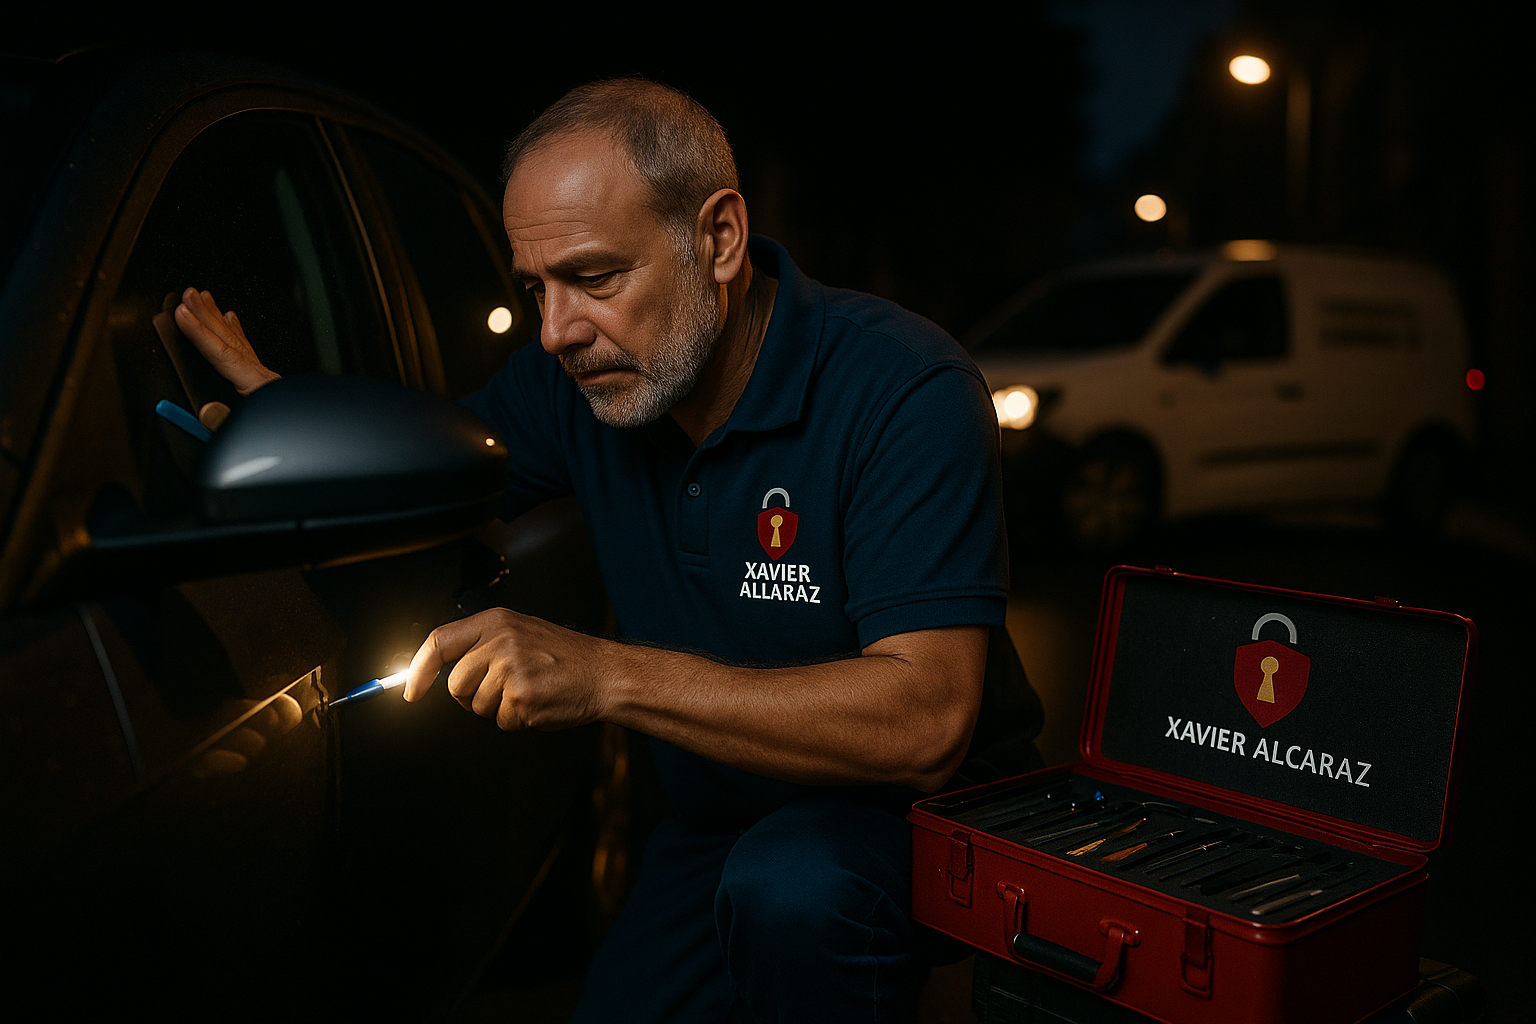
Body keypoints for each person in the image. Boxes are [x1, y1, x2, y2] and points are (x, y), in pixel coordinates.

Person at [175, 78, 1014, 1023]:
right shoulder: (571, 385)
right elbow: (420, 475)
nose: (556, 332)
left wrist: (604, 675)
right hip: (717, 820)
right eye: (536, 288)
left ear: (720, 238)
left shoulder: (905, 389)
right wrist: (291, 424)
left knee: (793, 889)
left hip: (898, 822)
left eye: (596, 278)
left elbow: (927, 722)